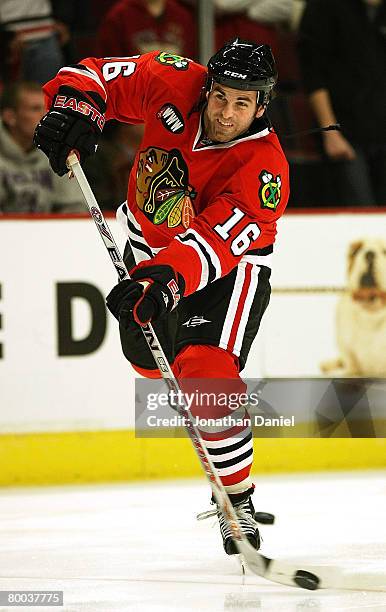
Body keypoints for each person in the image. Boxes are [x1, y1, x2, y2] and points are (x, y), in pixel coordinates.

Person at [33, 38, 289, 555]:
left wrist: (163, 280)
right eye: (221, 96)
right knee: (151, 367)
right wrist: (75, 108)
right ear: (208, 86)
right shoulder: (172, 78)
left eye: (242, 103)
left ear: (261, 106)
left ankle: (235, 499)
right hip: (144, 252)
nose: (225, 112)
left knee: (206, 373)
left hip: (222, 274)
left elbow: (211, 246)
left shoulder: (265, 170)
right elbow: (96, 74)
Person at [297, 0, 386, 206]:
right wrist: (331, 132)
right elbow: (313, 73)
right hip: (345, 131)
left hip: (381, 127)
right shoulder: (325, 7)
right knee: (357, 210)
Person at [0, 81, 83, 213]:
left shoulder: (57, 149)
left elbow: (75, 206)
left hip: (47, 232)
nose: (46, 116)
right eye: (35, 109)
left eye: (47, 109)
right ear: (10, 117)